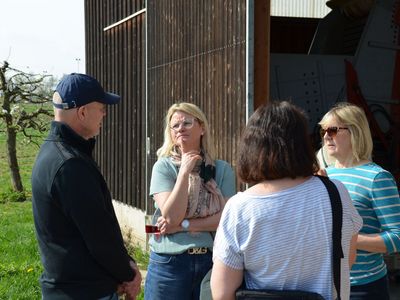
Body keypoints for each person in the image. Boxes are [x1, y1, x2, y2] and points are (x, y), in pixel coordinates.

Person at [210, 101, 363, 300]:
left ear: (252, 146)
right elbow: (348, 259)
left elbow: (222, 293)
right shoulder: (336, 192)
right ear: (302, 145)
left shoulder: (241, 208)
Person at [31, 73, 142, 300]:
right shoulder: (70, 164)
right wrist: (128, 274)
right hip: (84, 292)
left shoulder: (56, 152)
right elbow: (99, 237)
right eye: (101, 107)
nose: (104, 113)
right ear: (82, 112)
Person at [144, 102, 236, 300]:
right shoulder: (163, 168)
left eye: (187, 122)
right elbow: (170, 217)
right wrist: (184, 172)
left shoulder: (222, 170)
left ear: (202, 127)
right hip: (169, 265)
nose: (181, 128)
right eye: (175, 125)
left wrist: (183, 226)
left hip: (209, 263)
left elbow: (226, 220)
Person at [319, 102, 400, 299]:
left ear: (355, 132)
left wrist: (348, 239)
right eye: (323, 130)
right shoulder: (322, 175)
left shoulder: (377, 178)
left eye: (333, 129)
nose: (326, 135)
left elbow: (397, 238)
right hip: (324, 284)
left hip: (364, 287)